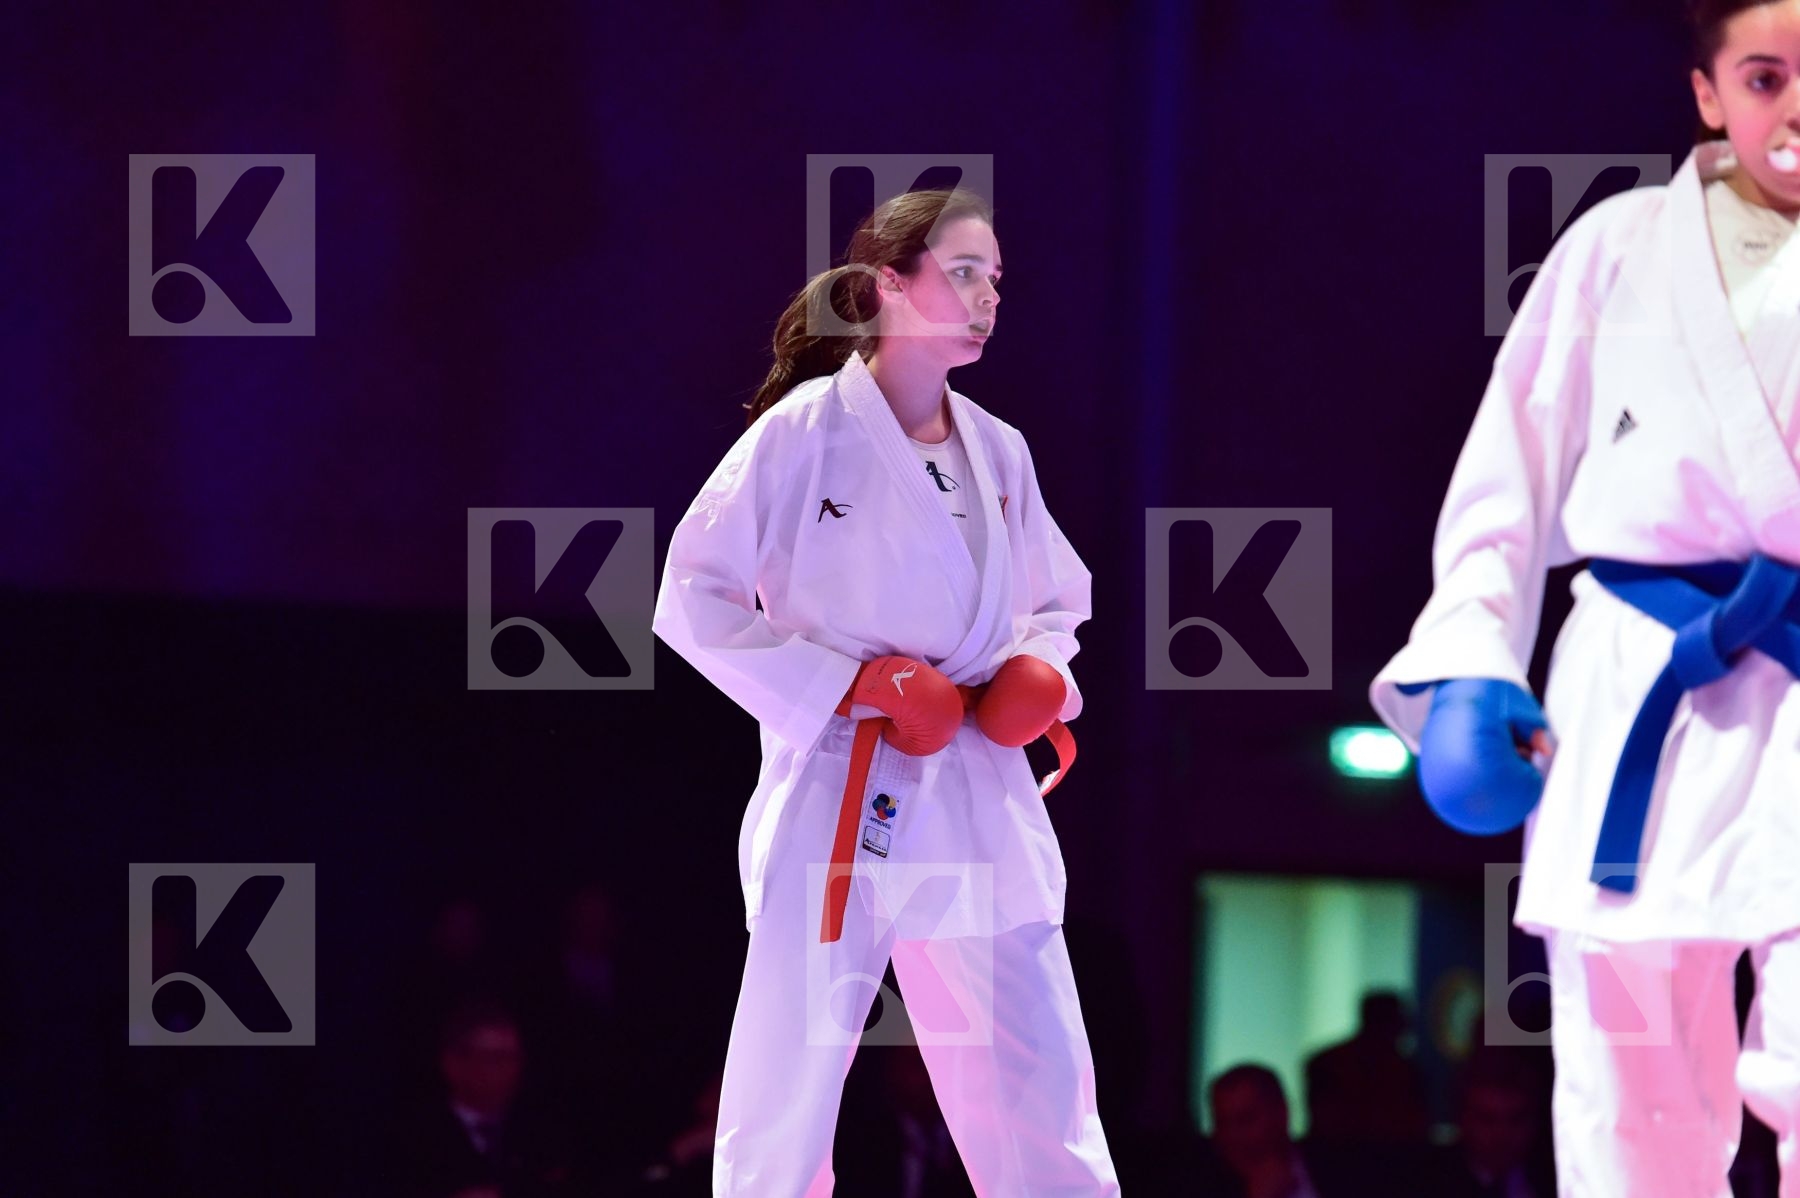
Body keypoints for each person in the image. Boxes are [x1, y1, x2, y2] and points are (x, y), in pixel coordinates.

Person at [1369, 1, 1800, 1194]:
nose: (1797, 108)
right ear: (1711, 93)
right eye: (1766, 76)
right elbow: (1512, 465)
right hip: (1645, 679)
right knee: (1631, 1104)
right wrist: (1472, 658)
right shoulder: (1621, 244)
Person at [652, 186, 1119, 1194]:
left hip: (977, 785)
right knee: (790, 1086)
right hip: (846, 783)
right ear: (886, 285)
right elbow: (693, 594)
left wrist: (1042, 672)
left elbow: (1058, 597)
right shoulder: (803, 434)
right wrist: (850, 683)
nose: (988, 296)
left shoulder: (1000, 448)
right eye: (961, 273)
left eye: (996, 279)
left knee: (1040, 1082)